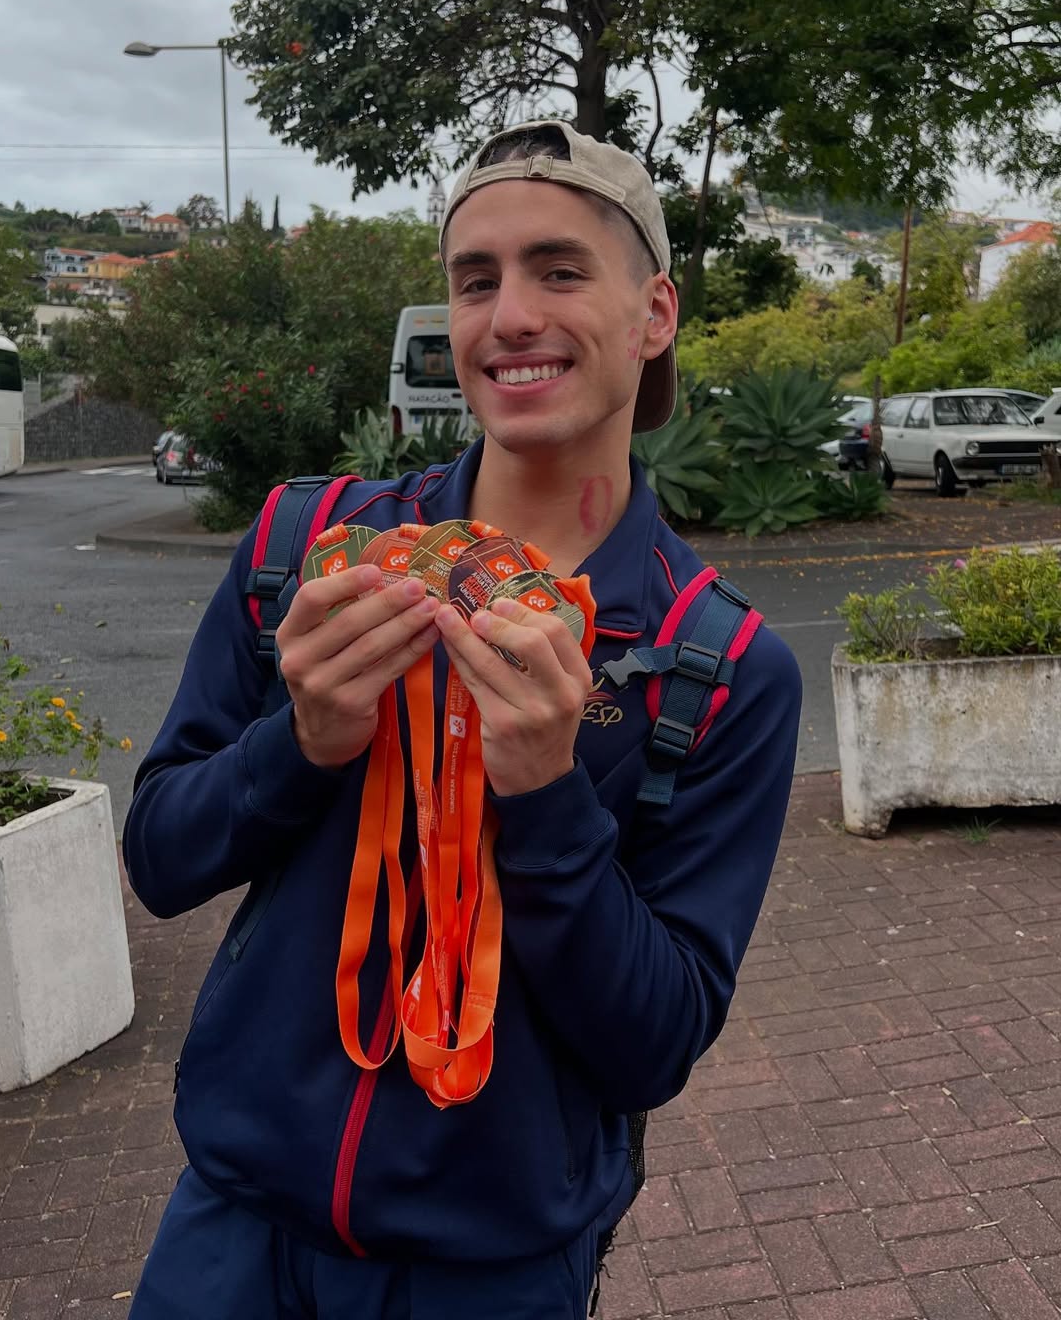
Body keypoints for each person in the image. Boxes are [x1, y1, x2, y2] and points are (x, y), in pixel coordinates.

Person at [123, 119, 802, 1320]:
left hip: (493, 1270)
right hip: (231, 1227)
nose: (510, 316)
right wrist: (303, 744)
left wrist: (545, 795)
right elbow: (163, 859)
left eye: (558, 269)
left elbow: (656, 1044)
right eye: (475, 279)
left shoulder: (719, 664)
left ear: (654, 315)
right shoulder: (309, 551)